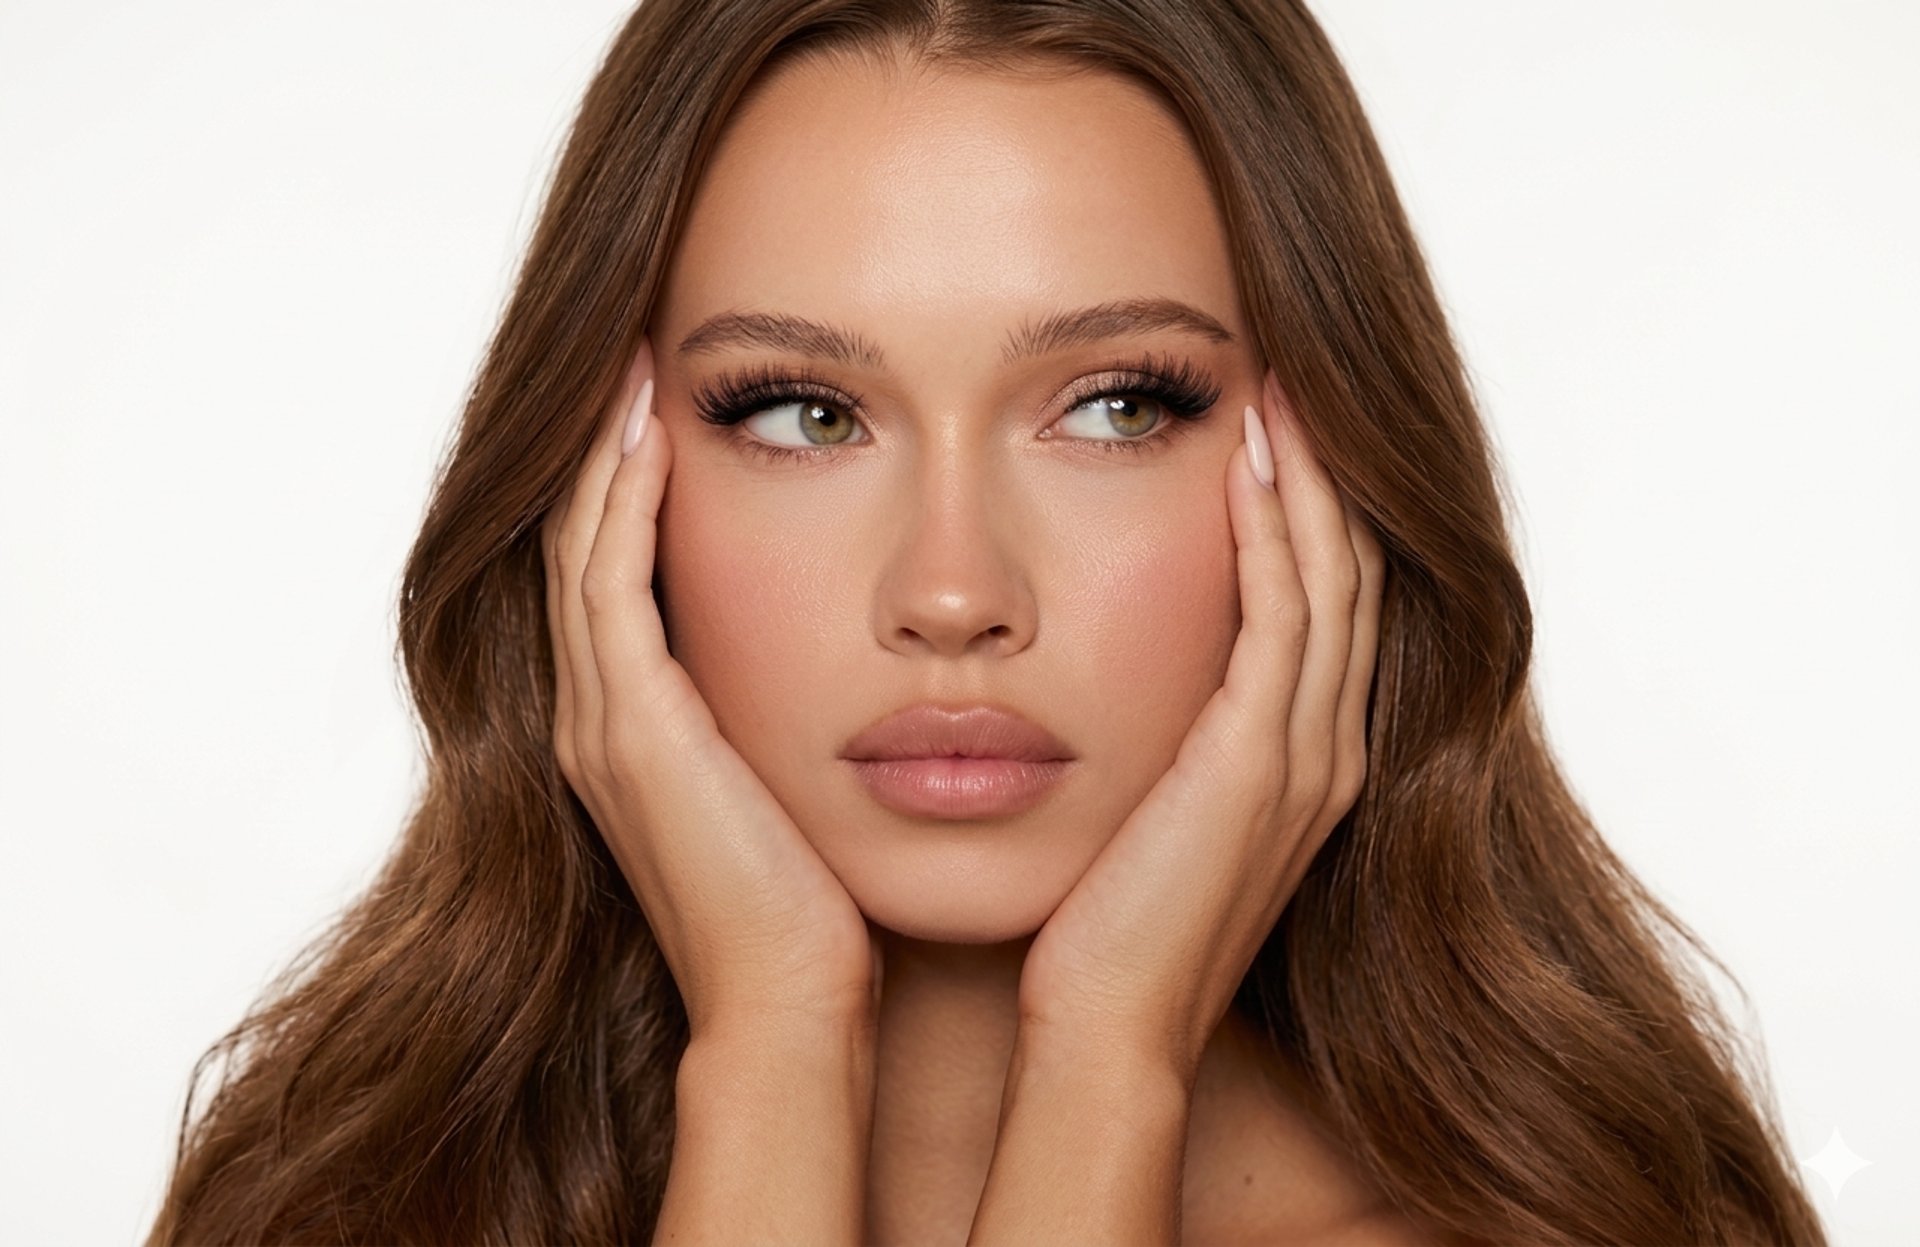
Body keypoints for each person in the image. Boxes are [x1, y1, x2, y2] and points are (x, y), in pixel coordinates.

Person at [146, 2, 1829, 1243]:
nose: (952, 594)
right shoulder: (335, 1213)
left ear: (1339, 473)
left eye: (1115, 406)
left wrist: (1110, 1059)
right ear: (602, 483)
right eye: (803, 412)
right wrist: (775, 1048)